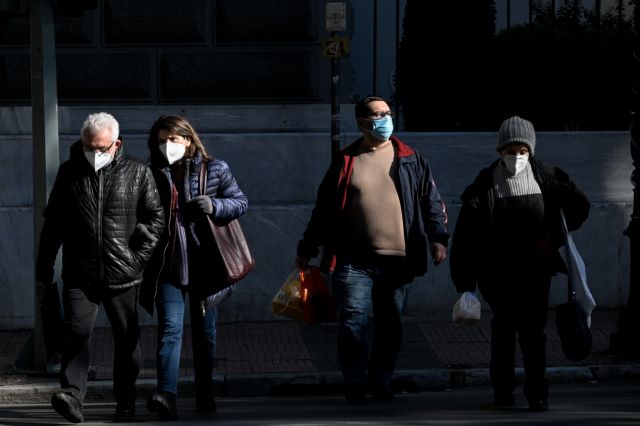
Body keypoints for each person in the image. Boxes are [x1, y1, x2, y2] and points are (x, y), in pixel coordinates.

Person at [295, 96, 449, 404]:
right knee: (352, 320)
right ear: (362, 122)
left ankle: (381, 381)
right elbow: (323, 209)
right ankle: (354, 382)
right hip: (353, 260)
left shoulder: (409, 157)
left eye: (388, 113)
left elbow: (430, 200)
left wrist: (438, 237)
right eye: (377, 115)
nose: (384, 119)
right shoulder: (346, 160)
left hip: (397, 261)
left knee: (390, 324)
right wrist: (308, 247)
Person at [449, 116, 590, 411]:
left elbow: (580, 204)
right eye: (511, 150)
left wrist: (554, 238)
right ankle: (503, 391)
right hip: (497, 274)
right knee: (503, 332)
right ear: (500, 151)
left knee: (533, 333)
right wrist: (465, 284)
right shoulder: (484, 185)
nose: (517, 157)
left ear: (531, 150)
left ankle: (537, 393)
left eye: (522, 150)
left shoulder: (547, 177)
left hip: (536, 272)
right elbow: (465, 237)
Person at [35, 112, 165, 423]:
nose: (95, 153)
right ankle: (72, 395)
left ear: (116, 144)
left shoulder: (138, 173)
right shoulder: (69, 173)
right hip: (80, 273)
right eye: (88, 146)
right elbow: (53, 223)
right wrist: (44, 266)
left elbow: (155, 219)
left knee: (126, 340)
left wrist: (137, 257)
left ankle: (126, 399)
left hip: (124, 275)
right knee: (76, 332)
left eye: (102, 148)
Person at [141, 115, 248, 421]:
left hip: (206, 265)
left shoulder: (215, 168)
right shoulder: (151, 173)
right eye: (162, 140)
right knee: (170, 330)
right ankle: (166, 395)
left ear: (188, 139)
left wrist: (214, 206)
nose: (168, 146)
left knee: (205, 334)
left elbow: (240, 201)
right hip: (168, 266)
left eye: (173, 139)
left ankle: (204, 393)